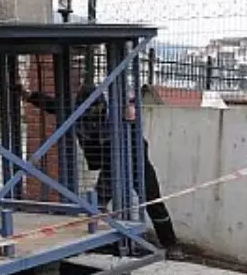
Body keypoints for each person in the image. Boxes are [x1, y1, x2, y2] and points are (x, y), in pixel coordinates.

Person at [15, 81, 180, 255]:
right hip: (110, 162)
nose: (93, 116)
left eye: (96, 111)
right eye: (89, 112)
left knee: (153, 202)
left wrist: (129, 118)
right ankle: (103, 239)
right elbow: (52, 104)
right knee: (97, 204)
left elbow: (137, 138)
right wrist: (26, 95)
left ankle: (171, 244)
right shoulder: (77, 111)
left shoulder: (117, 112)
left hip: (136, 160)